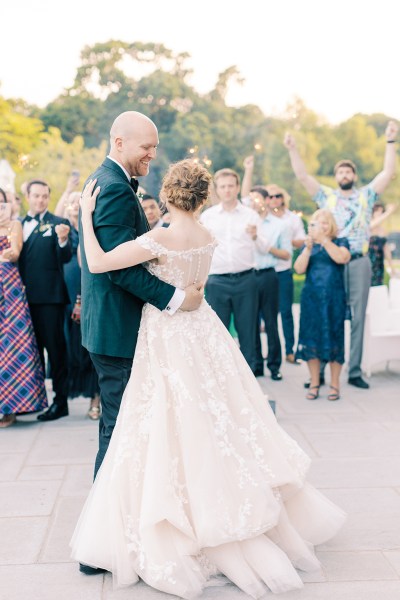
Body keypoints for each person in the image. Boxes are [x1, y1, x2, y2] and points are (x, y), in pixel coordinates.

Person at [70, 159, 346, 598]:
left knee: (171, 424)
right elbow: (194, 287)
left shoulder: (160, 236)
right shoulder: (206, 234)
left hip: (167, 337)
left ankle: (180, 520)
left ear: (168, 195)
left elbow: (101, 261)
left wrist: (85, 215)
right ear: (202, 196)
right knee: (218, 422)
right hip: (204, 335)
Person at [78, 111, 204, 500]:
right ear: (120, 142)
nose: (152, 153)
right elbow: (119, 270)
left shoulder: (108, 180)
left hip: (109, 325)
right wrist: (177, 298)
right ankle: (101, 536)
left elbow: (129, 252)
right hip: (118, 328)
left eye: (155, 146)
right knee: (120, 430)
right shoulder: (115, 187)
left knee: (121, 426)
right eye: (147, 146)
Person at [284, 120, 398, 389]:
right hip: (328, 263)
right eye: (341, 171)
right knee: (325, 312)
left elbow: (388, 171)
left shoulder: (366, 196)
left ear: (354, 176)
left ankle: (354, 370)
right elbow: (303, 177)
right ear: (336, 177)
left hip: (358, 261)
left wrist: (391, 141)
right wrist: (292, 149)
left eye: (348, 171)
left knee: (357, 316)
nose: (345, 174)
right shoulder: (326, 197)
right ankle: (318, 373)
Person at [19, 179, 72, 421]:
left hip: (50, 298)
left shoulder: (58, 223)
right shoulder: (18, 226)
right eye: (36, 196)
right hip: (21, 301)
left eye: (44, 196)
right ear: (28, 196)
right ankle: (34, 400)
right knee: (31, 353)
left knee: (56, 350)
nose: (40, 200)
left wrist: (62, 240)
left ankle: (61, 402)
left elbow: (65, 256)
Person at [200, 168, 260, 374]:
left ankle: (250, 376)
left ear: (237, 187)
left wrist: (256, 237)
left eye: (230, 186)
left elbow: (263, 248)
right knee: (218, 331)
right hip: (217, 281)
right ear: (217, 189)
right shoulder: (208, 217)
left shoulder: (250, 215)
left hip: (246, 279)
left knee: (248, 331)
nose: (227, 190)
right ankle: (221, 375)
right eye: (222, 186)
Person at [0, 188, 48, 427]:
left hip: (8, 287)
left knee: (12, 343)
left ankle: (11, 407)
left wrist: (10, 250)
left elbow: (16, 252)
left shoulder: (14, 225)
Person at [294, 210, 350, 401]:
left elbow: (342, 258)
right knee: (311, 338)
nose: (322, 226)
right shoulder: (309, 245)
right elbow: (299, 269)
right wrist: (308, 249)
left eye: (326, 223)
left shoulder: (340, 241)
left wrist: (325, 240)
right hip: (312, 298)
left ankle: (335, 384)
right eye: (318, 223)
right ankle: (315, 382)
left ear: (332, 225)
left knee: (335, 338)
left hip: (334, 298)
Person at [58, 191, 101, 419]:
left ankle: (96, 399)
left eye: (79, 200)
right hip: (65, 298)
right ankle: (68, 397)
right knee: (71, 349)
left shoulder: (90, 228)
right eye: (71, 201)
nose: (75, 204)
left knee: (90, 349)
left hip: (87, 295)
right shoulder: (61, 229)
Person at [247, 186, 292, 381]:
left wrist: (264, 245)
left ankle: (274, 365)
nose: (253, 203)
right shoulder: (245, 221)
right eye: (250, 200)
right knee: (251, 322)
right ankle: (256, 364)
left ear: (266, 200)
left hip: (268, 275)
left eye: (257, 199)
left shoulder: (279, 225)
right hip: (248, 276)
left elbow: (286, 254)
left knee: (271, 321)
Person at [266, 184, 306, 365]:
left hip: (283, 270)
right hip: (265, 271)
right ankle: (272, 351)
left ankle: (290, 351)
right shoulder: (262, 218)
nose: (274, 199)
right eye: (270, 196)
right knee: (267, 314)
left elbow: (302, 240)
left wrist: (284, 239)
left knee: (286, 312)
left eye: (277, 196)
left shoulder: (292, 219)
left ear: (283, 197)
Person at [368, 201, 396, 286]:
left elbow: (386, 250)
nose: (379, 213)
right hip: (368, 262)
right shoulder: (369, 225)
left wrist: (392, 268)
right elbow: (373, 224)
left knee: (378, 287)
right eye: (377, 211)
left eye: (381, 211)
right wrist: (388, 212)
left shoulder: (383, 231)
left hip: (379, 263)